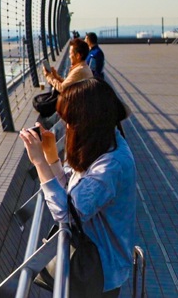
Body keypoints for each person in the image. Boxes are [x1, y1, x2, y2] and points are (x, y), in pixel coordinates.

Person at [19, 79, 137, 296]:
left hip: (99, 271)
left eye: (70, 121)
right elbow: (74, 194)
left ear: (87, 122)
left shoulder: (111, 164)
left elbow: (66, 213)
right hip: (98, 263)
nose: (67, 127)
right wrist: (52, 157)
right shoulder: (104, 145)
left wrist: (39, 163)